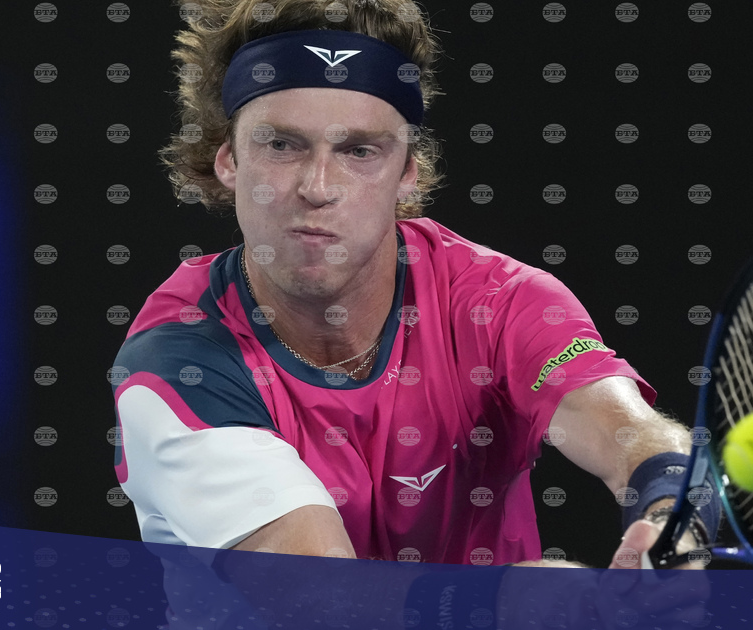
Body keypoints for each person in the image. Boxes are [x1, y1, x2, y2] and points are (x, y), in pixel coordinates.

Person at [110, 0, 718, 568]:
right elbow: (325, 599)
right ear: (229, 160)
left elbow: (632, 434)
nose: (317, 187)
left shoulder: (498, 301)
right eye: (281, 144)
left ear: (407, 172)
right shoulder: (177, 364)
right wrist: (519, 604)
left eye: (359, 151)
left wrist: (670, 522)